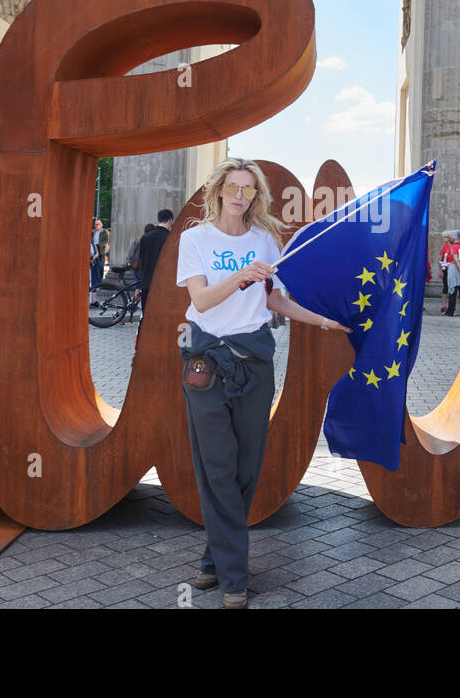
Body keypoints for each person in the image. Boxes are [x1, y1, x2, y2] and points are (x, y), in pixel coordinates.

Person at [175, 157, 349, 608]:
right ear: (217, 191)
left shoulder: (265, 240)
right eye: (232, 186)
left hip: (254, 361)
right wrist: (239, 277)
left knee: (246, 467)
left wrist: (323, 322)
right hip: (206, 362)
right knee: (217, 467)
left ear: (256, 196)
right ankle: (234, 578)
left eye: (248, 189)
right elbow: (202, 300)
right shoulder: (195, 239)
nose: (239, 195)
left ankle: (214, 561)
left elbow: (273, 298)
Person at [137, 209, 174, 312]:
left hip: (147, 282)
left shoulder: (145, 237)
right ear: (170, 221)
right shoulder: (170, 238)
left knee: (146, 316)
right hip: (163, 285)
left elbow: (142, 259)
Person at [439, 230, 460, 316]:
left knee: (452, 292)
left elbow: (455, 260)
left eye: (451, 237)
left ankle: (450, 312)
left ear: (454, 238)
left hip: (455, 270)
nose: (449, 238)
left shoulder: (453, 247)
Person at [89, 217, 110, 305]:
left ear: (100, 225)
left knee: (100, 267)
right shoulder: (93, 232)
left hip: (100, 251)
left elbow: (105, 241)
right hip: (94, 251)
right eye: (95, 224)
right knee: (93, 277)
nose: (96, 226)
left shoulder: (104, 232)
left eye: (97, 224)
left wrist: (97, 247)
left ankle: (94, 299)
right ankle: (92, 300)